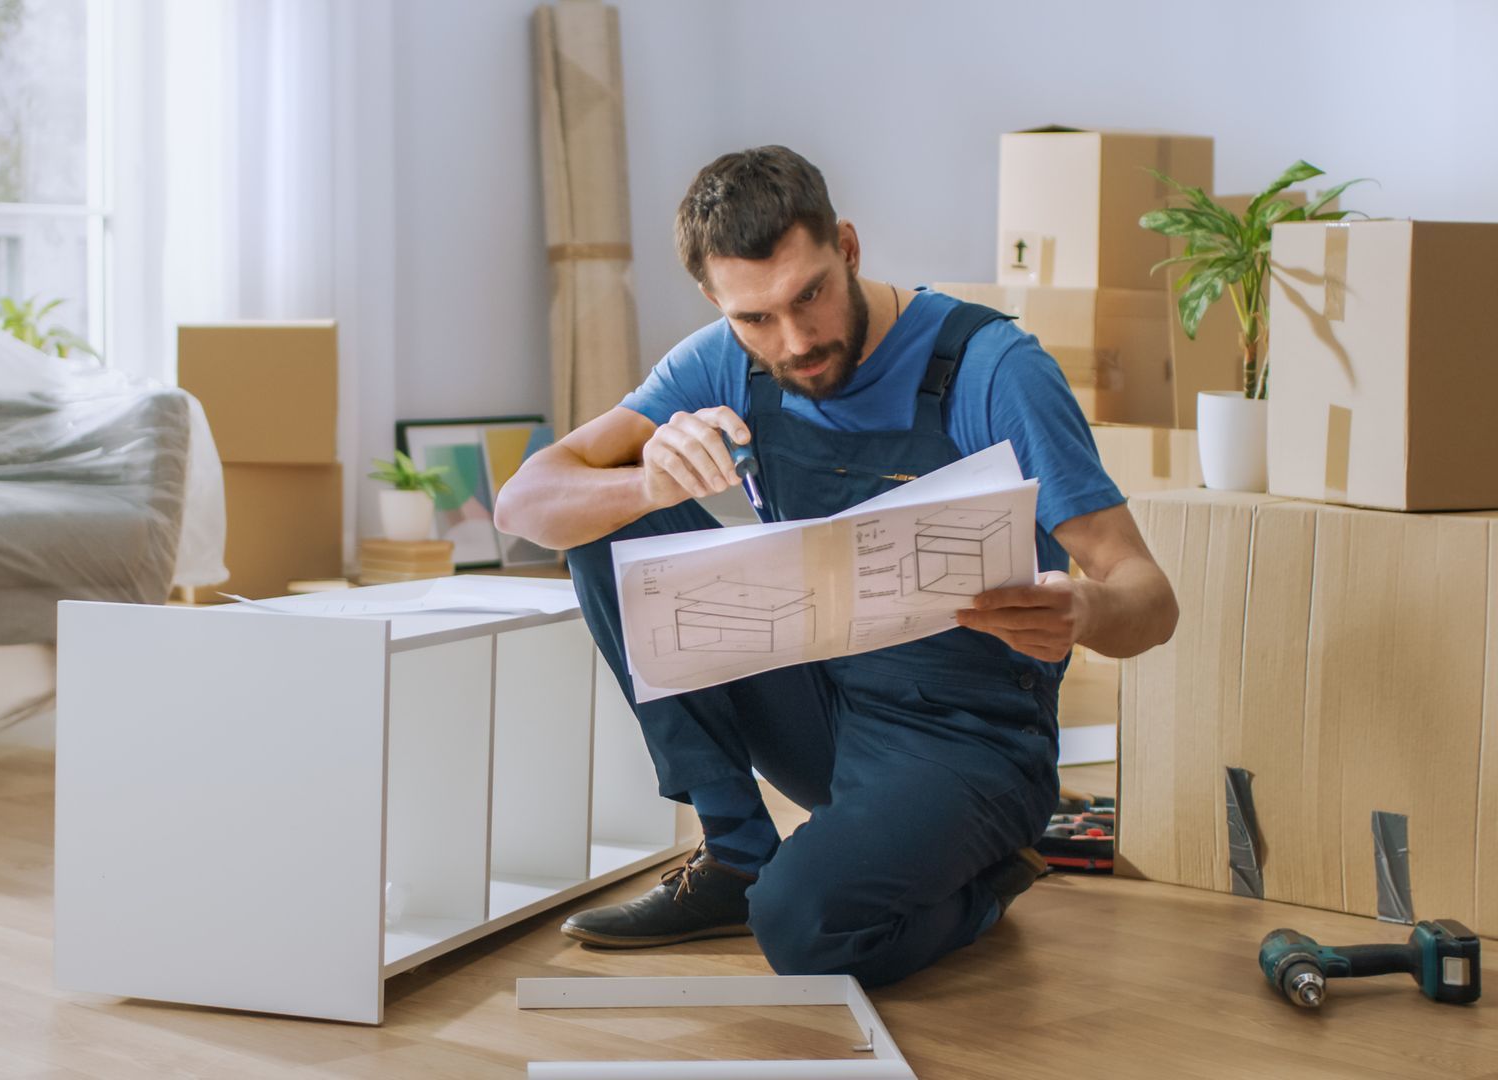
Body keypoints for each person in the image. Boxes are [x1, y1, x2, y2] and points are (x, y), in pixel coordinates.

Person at [492, 145, 1178, 985]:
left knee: (802, 931)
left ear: (847, 248)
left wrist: (1081, 612)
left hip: (966, 742)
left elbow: (1150, 599)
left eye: (809, 295)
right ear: (717, 304)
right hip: (823, 702)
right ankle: (737, 854)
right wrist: (649, 476)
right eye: (756, 319)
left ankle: (990, 878)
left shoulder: (995, 371)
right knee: (604, 521)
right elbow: (524, 505)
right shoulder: (723, 358)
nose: (795, 340)